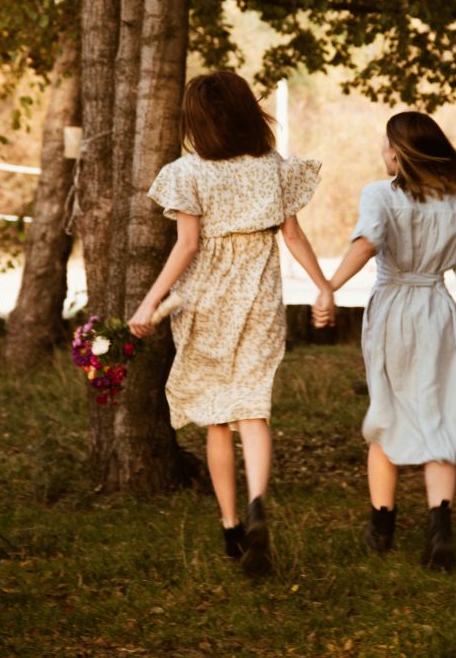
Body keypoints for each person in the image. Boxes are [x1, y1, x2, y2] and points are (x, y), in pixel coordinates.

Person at [128, 70, 332, 576]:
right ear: (245, 113)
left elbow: (188, 246)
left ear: (198, 121)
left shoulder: (187, 172)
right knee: (253, 408)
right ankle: (260, 504)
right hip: (260, 298)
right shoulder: (271, 167)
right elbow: (294, 236)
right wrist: (323, 285)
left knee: (217, 419)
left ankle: (230, 526)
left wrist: (149, 303)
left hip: (205, 302)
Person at [313, 111, 456, 571]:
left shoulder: (380, 195)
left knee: (389, 409)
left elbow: (367, 243)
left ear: (399, 153)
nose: (382, 153)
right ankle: (440, 529)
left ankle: (382, 526)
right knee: (439, 414)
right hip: (440, 315)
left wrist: (329, 286)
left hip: (396, 311)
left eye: (385, 145)